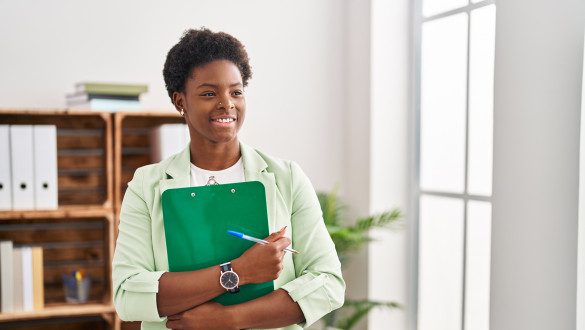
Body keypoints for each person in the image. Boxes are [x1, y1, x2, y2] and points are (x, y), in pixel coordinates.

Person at [112, 28, 345, 330]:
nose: (227, 103)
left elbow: (328, 284)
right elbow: (128, 295)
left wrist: (228, 319)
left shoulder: (286, 177)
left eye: (236, 92)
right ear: (180, 100)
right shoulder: (146, 186)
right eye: (209, 93)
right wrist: (238, 271)